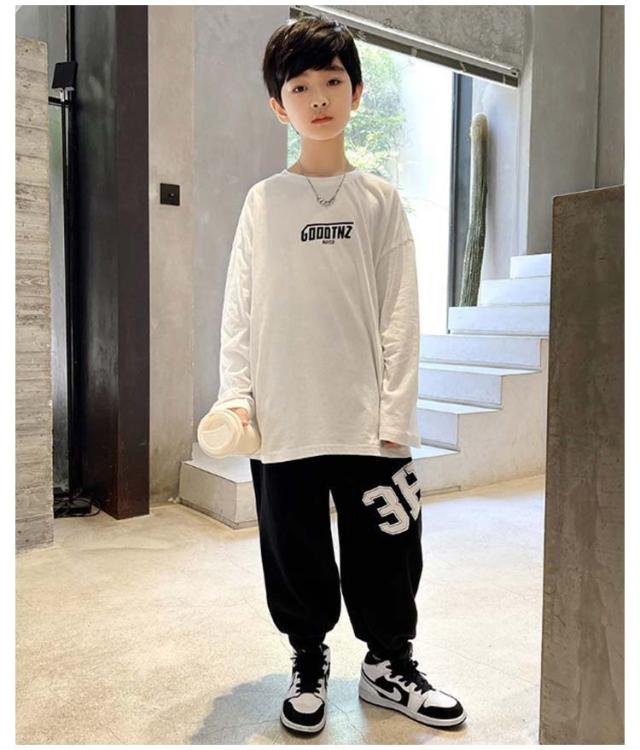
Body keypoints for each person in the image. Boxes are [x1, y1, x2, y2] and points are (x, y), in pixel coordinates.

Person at [209, 15, 467, 735]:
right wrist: (237, 399)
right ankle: (308, 658)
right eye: (299, 87)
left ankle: (389, 665)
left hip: (367, 420)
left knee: (388, 547)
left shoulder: (379, 200)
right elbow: (239, 309)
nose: (318, 97)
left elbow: (400, 314)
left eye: (332, 81)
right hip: (283, 418)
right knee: (292, 548)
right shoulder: (263, 202)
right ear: (278, 106)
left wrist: (396, 415)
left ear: (356, 93)